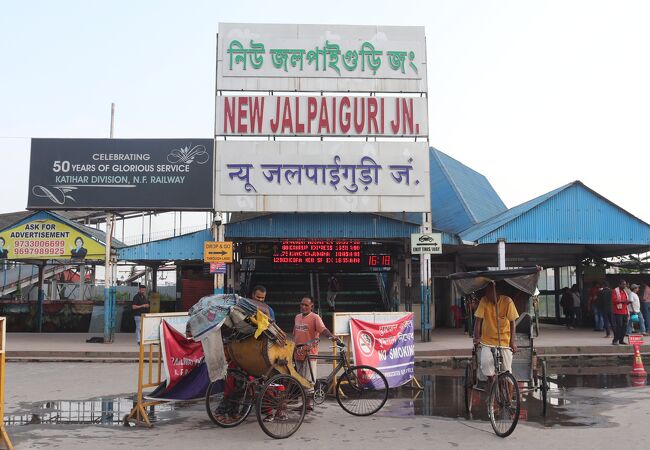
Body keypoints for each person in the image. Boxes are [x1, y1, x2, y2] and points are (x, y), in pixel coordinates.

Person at [292, 295, 338, 411]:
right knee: (300, 379)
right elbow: (295, 334)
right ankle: (304, 403)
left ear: (311, 306)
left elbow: (323, 330)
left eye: (306, 305)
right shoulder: (297, 317)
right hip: (298, 352)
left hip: (310, 353)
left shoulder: (315, 317)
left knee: (308, 380)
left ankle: (308, 404)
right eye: (302, 304)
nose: (303, 307)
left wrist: (331, 336)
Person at [472, 283, 519, 385]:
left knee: (507, 373)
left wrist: (512, 342)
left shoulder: (507, 301)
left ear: (497, 292)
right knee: (485, 364)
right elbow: (478, 321)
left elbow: (512, 322)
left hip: (504, 341)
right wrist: (477, 338)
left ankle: (509, 399)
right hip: (487, 341)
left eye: (489, 291)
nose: (487, 294)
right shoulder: (484, 301)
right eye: (486, 291)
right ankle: (492, 383)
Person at [611, 280, 631, 345]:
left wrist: (628, 302)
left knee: (624, 326)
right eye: (623, 284)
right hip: (618, 311)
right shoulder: (615, 291)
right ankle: (615, 340)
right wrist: (623, 301)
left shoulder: (624, 291)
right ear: (619, 284)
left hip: (625, 311)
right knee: (619, 326)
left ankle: (621, 340)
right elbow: (614, 300)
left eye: (625, 284)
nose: (624, 286)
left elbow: (626, 300)